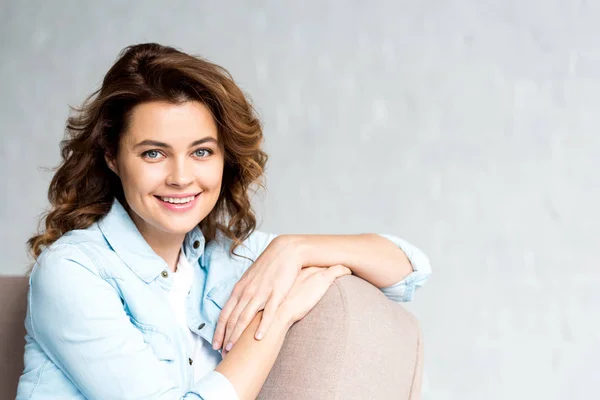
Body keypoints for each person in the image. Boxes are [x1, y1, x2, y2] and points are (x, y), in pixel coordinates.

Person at [16, 43, 432, 400]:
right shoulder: (72, 271)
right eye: (153, 153)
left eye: (201, 152)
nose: (181, 177)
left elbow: (408, 270)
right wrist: (276, 318)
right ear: (112, 156)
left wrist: (294, 248)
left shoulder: (223, 257)